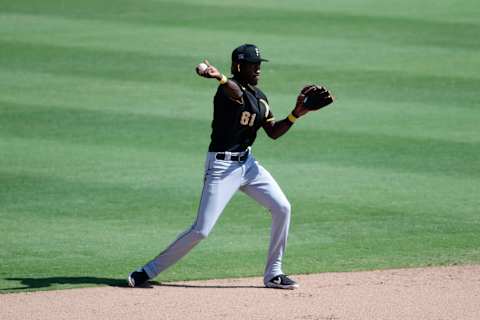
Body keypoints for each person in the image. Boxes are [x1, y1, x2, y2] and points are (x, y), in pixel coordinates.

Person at [128, 44, 318, 289]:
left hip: (248, 165)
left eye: (259, 64)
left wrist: (295, 114)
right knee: (201, 230)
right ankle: (147, 271)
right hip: (221, 168)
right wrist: (219, 77)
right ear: (239, 66)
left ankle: (274, 273)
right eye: (253, 64)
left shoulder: (261, 97)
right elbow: (234, 91)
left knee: (283, 207)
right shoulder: (227, 91)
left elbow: (272, 132)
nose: (258, 69)